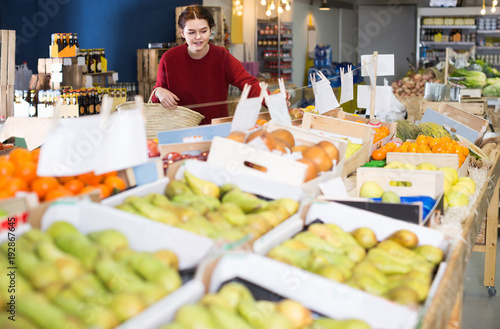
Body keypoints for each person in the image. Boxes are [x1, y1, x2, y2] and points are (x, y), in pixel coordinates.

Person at [151, 5, 270, 125]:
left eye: (203, 31)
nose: (198, 37)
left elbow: (249, 84)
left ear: (210, 30)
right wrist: (158, 92)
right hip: (179, 130)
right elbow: (156, 99)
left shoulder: (222, 57)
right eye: (191, 32)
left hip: (216, 130)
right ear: (182, 33)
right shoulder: (169, 58)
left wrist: (273, 100)